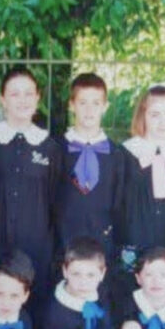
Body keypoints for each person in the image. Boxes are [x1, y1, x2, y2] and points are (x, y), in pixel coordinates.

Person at [0, 67, 62, 307]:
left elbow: (55, 200)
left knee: (33, 307)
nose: (22, 100)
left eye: (28, 93)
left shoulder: (50, 147)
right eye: (15, 94)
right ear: (3, 99)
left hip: (36, 246)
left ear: (37, 98)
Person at [56, 72, 127, 259]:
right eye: (82, 103)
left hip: (102, 241)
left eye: (96, 103)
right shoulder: (55, 148)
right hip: (62, 241)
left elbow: (119, 203)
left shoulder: (117, 154)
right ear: (71, 105)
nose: (89, 110)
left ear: (105, 107)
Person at [118, 83, 165, 259]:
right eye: (155, 115)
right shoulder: (125, 154)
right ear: (143, 116)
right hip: (132, 241)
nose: (162, 122)